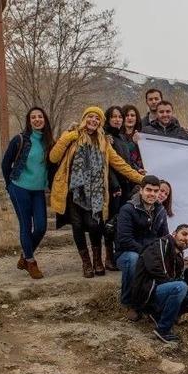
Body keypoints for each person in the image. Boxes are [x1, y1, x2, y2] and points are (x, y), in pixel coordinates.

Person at [49, 106, 145, 278]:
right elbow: (54, 157)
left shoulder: (104, 142)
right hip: (74, 191)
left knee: (95, 225)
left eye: (97, 118)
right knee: (77, 227)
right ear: (84, 118)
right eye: (90, 117)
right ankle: (86, 263)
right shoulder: (72, 136)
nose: (93, 120)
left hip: (96, 193)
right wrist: (69, 135)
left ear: (100, 122)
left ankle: (97, 260)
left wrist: (142, 179)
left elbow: (120, 165)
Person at [1, 107, 55, 279]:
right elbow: (5, 163)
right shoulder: (20, 139)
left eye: (40, 116)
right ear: (29, 120)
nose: (37, 119)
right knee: (26, 225)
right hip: (19, 188)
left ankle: (24, 256)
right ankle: (31, 262)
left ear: (45, 120)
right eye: (33, 117)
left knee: (40, 227)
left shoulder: (48, 142)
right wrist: (9, 184)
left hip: (38, 190)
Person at [130, 224, 188, 344]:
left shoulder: (179, 255)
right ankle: (163, 330)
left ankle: (159, 315)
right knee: (179, 287)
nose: (186, 239)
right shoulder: (159, 245)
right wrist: (179, 285)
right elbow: (158, 274)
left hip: (162, 291)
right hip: (146, 294)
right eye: (184, 234)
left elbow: (182, 282)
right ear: (174, 233)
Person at [115, 176, 167, 322]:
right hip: (125, 254)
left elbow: (163, 236)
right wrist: (147, 254)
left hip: (149, 253)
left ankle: (156, 306)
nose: (152, 194)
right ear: (141, 190)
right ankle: (130, 303)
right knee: (134, 259)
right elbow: (125, 240)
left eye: (156, 191)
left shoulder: (160, 210)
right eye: (148, 190)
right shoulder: (127, 209)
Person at [103, 105, 141, 271]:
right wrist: (114, 185)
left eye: (120, 116)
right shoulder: (106, 137)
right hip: (114, 187)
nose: (118, 119)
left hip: (127, 184)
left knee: (122, 221)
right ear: (108, 119)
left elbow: (126, 160)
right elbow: (108, 165)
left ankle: (119, 255)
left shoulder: (122, 137)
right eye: (114, 116)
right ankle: (109, 256)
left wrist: (136, 170)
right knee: (111, 222)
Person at [121, 104, 143, 170]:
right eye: (126, 115)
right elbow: (122, 154)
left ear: (137, 118)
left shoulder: (142, 134)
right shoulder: (117, 136)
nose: (129, 118)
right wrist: (133, 143)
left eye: (132, 115)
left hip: (143, 172)